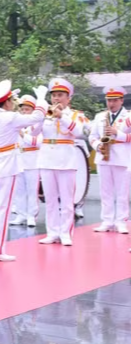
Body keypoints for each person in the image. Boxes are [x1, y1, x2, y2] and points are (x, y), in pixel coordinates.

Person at [0, 82, 48, 262]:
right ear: (7, 102)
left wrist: (10, 96)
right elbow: (38, 117)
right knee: (2, 209)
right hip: (6, 166)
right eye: (11, 100)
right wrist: (40, 98)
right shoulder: (11, 118)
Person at [38, 78, 89, 246]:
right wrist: (39, 112)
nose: (56, 99)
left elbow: (80, 132)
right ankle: (52, 232)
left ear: (68, 98)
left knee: (67, 200)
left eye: (60, 95)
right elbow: (33, 131)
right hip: (47, 159)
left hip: (66, 160)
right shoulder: (45, 114)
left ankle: (65, 232)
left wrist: (62, 117)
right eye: (54, 96)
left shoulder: (75, 115)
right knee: (51, 200)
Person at [89, 86, 131, 234]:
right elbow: (92, 136)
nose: (111, 104)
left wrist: (117, 134)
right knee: (105, 191)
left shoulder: (128, 116)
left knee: (122, 192)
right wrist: (98, 145)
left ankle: (121, 221)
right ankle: (107, 220)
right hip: (104, 156)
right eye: (108, 100)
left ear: (121, 100)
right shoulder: (100, 116)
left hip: (122, 157)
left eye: (114, 100)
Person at [10, 96, 42, 227]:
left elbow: (38, 143)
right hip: (18, 159)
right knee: (19, 190)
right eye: (22, 109)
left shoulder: (37, 126)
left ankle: (31, 216)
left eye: (27, 109)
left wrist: (24, 135)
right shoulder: (17, 124)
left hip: (32, 160)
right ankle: (21, 214)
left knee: (31, 190)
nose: (24, 112)